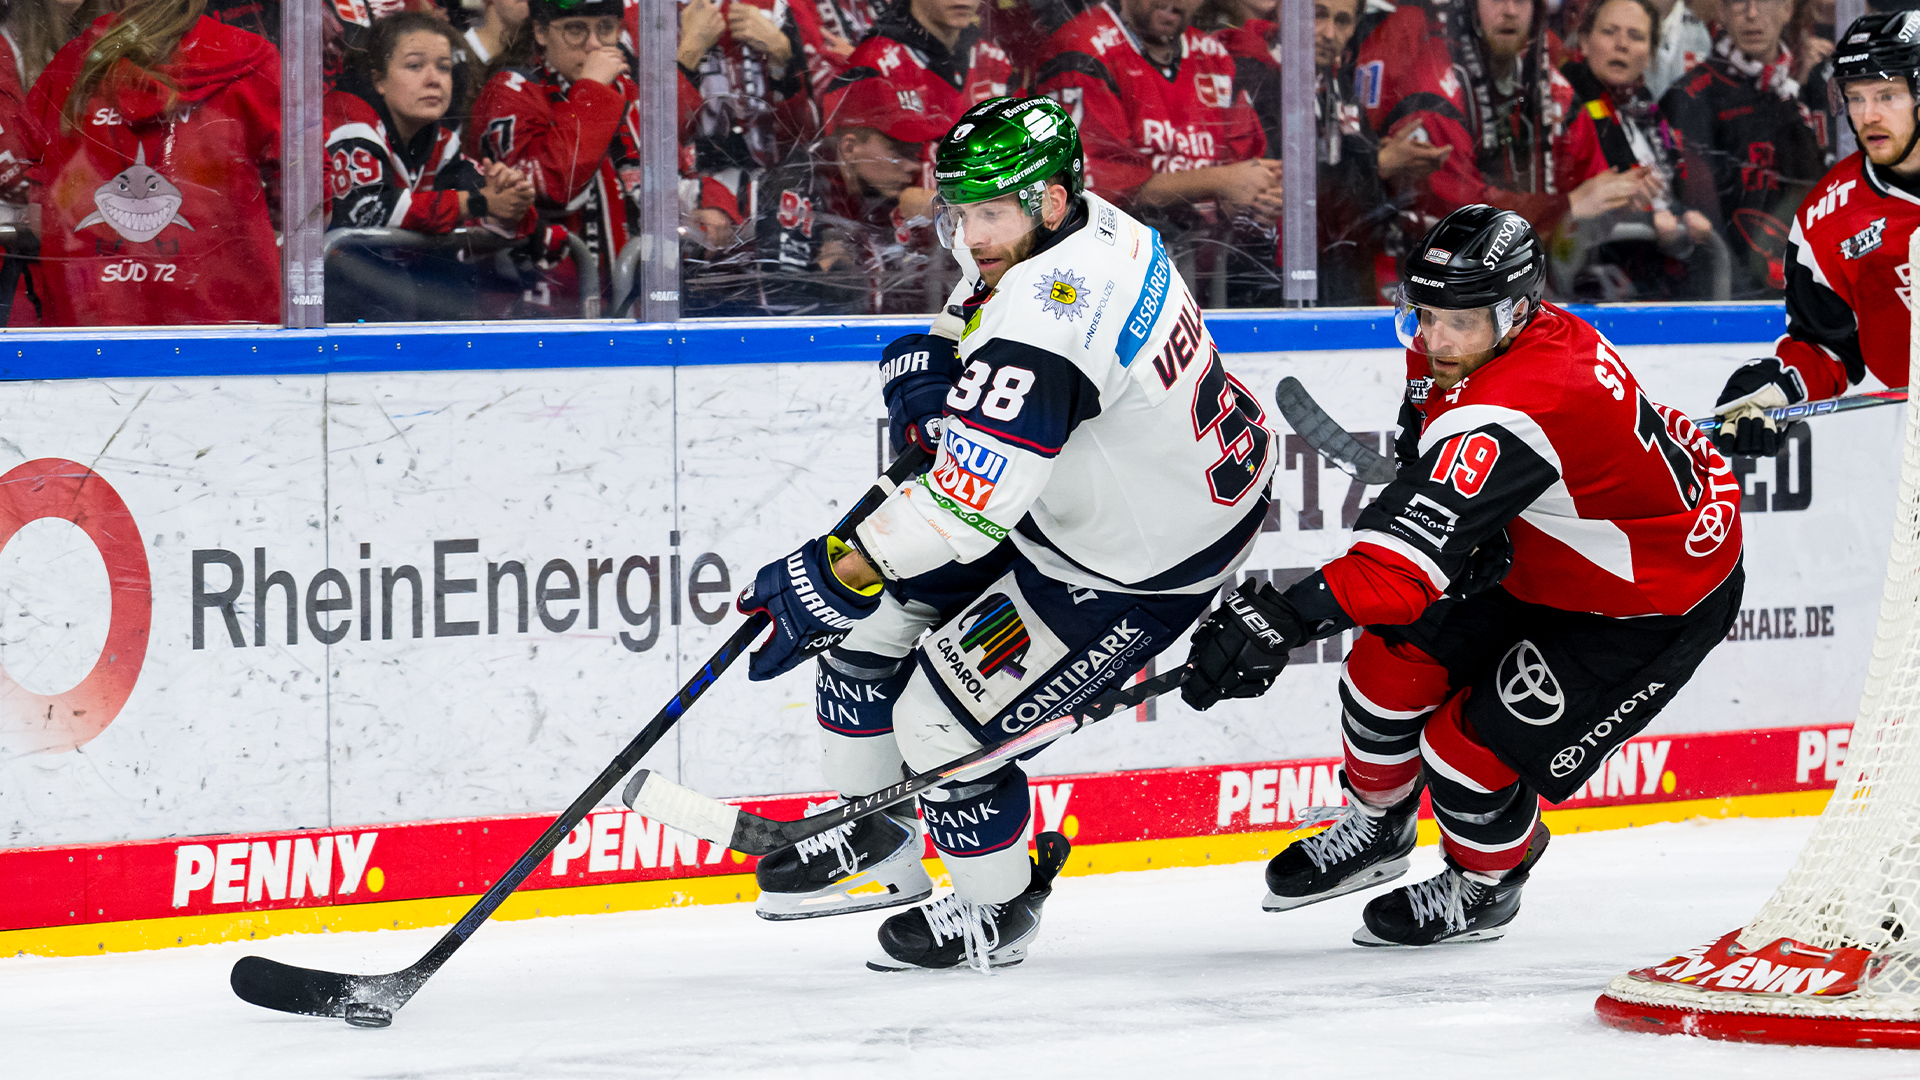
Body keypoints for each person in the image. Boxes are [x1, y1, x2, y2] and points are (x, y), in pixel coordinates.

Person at [741, 96, 1277, 970]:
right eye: (960, 211)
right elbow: (987, 308)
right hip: (1090, 497)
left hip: (1139, 560)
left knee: (939, 725)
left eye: (990, 213)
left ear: (1051, 200)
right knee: (865, 631)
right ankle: (880, 844)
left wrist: (838, 567)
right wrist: (946, 360)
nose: (972, 233)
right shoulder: (1087, 226)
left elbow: (964, 504)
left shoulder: (1053, 317)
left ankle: (997, 907)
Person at [1180, 204, 1744, 946]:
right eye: (1424, 316)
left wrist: (1280, 616)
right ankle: (1379, 828)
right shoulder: (1469, 339)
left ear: (1514, 313)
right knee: (1384, 671)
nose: (1434, 340)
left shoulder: (1521, 399)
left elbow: (1396, 575)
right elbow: (1432, 429)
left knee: (1466, 750)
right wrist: (1445, 491)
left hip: (1647, 600)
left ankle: (1484, 884)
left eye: (1459, 324)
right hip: (1546, 555)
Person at [1710, 11, 1920, 456]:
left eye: (1887, 95)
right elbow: (1828, 346)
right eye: (1856, 98)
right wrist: (1780, 384)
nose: (1868, 115)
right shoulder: (1828, 221)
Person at [27, 0, 281, 325]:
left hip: (94, 332)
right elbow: (309, 205)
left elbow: (40, 216)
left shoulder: (71, 66)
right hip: (231, 332)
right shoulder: (253, 62)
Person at [1356, 0, 1664, 243]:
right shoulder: (1434, 92)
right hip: (1434, 282)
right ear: (1469, 6)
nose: (1510, 11)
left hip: (1523, 277)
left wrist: (1624, 197)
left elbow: (1592, 183)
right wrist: (1567, 206)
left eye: (1522, 0)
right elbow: (1465, 214)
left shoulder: (1554, 91)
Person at [1034, 0, 1276, 292]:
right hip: (1108, 278)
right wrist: (1221, 181)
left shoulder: (1213, 56)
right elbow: (1096, 193)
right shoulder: (1080, 51)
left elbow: (1247, 168)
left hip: (1205, 273)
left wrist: (1261, 197)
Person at [1221, 0, 1449, 304]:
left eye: (1342, 21)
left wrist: (1388, 160)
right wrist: (1379, 162)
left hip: (1336, 273)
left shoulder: (1335, 79)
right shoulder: (1250, 71)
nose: (1329, 33)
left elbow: (1351, 183)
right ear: (1284, 11)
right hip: (1265, 282)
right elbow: (1276, 182)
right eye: (1317, 15)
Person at [324, 11, 537, 322]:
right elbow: (371, 214)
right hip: (330, 310)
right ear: (379, 79)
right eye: (414, 66)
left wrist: (511, 196)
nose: (434, 79)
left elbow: (502, 209)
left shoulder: (440, 138)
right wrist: (480, 202)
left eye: (444, 67)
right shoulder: (348, 122)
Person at [473, 0, 639, 313]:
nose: (593, 45)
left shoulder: (626, 89)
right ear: (540, 31)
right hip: (534, 314)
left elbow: (672, 177)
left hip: (624, 306)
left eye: (605, 28)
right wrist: (590, 91)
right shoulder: (510, 90)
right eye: (576, 29)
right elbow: (553, 187)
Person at [1658, 0, 1830, 297]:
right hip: (1730, 301)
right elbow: (1701, 223)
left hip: (1802, 293)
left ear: (1787, 9)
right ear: (1721, 13)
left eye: (1764, 1)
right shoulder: (1689, 97)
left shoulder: (1805, 94)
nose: (1752, 14)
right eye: (1738, 2)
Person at [749, 76, 948, 315]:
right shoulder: (797, 186)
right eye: (898, 150)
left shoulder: (884, 191)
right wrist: (842, 280)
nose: (913, 165)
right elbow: (781, 304)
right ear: (850, 148)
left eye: (915, 150)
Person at [1558, 0, 1717, 297]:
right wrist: (1646, 219)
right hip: (1590, 282)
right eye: (1609, 32)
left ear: (1650, 51)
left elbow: (1674, 175)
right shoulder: (1565, 102)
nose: (1622, 45)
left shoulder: (1648, 105)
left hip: (1658, 277)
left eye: (1636, 36)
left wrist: (1682, 218)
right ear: (1584, 40)